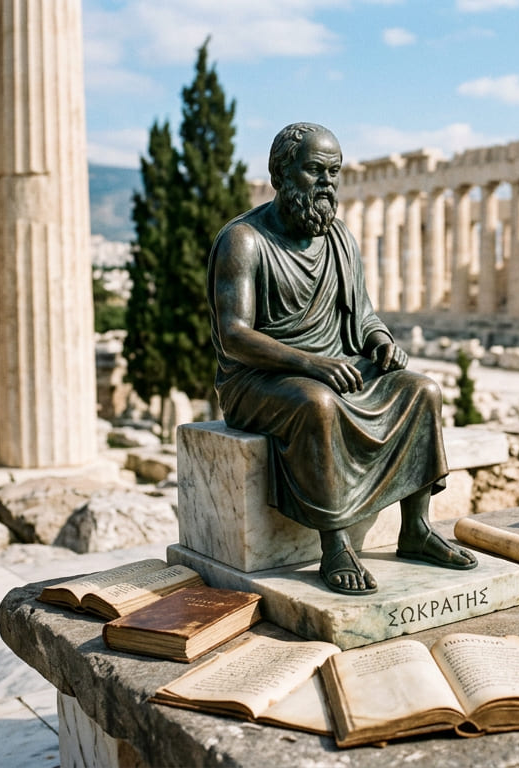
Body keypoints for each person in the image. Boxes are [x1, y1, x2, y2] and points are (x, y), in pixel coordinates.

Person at [206, 123, 477, 595]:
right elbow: (234, 336)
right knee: (319, 405)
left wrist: (381, 341)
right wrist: (310, 364)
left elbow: (363, 314)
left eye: (334, 172)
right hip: (259, 379)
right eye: (315, 170)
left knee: (422, 390)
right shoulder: (244, 240)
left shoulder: (339, 238)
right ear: (281, 174)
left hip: (337, 366)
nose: (327, 182)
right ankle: (335, 545)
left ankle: (416, 529)